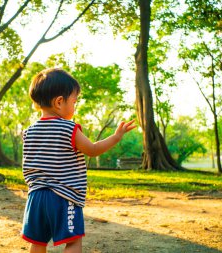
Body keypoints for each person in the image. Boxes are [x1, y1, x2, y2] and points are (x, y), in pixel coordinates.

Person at [21, 68, 136, 253]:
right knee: (73, 242)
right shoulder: (68, 128)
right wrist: (116, 137)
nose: (75, 106)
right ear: (59, 102)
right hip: (63, 196)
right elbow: (93, 150)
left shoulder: (28, 132)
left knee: (38, 242)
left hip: (35, 196)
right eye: (74, 101)